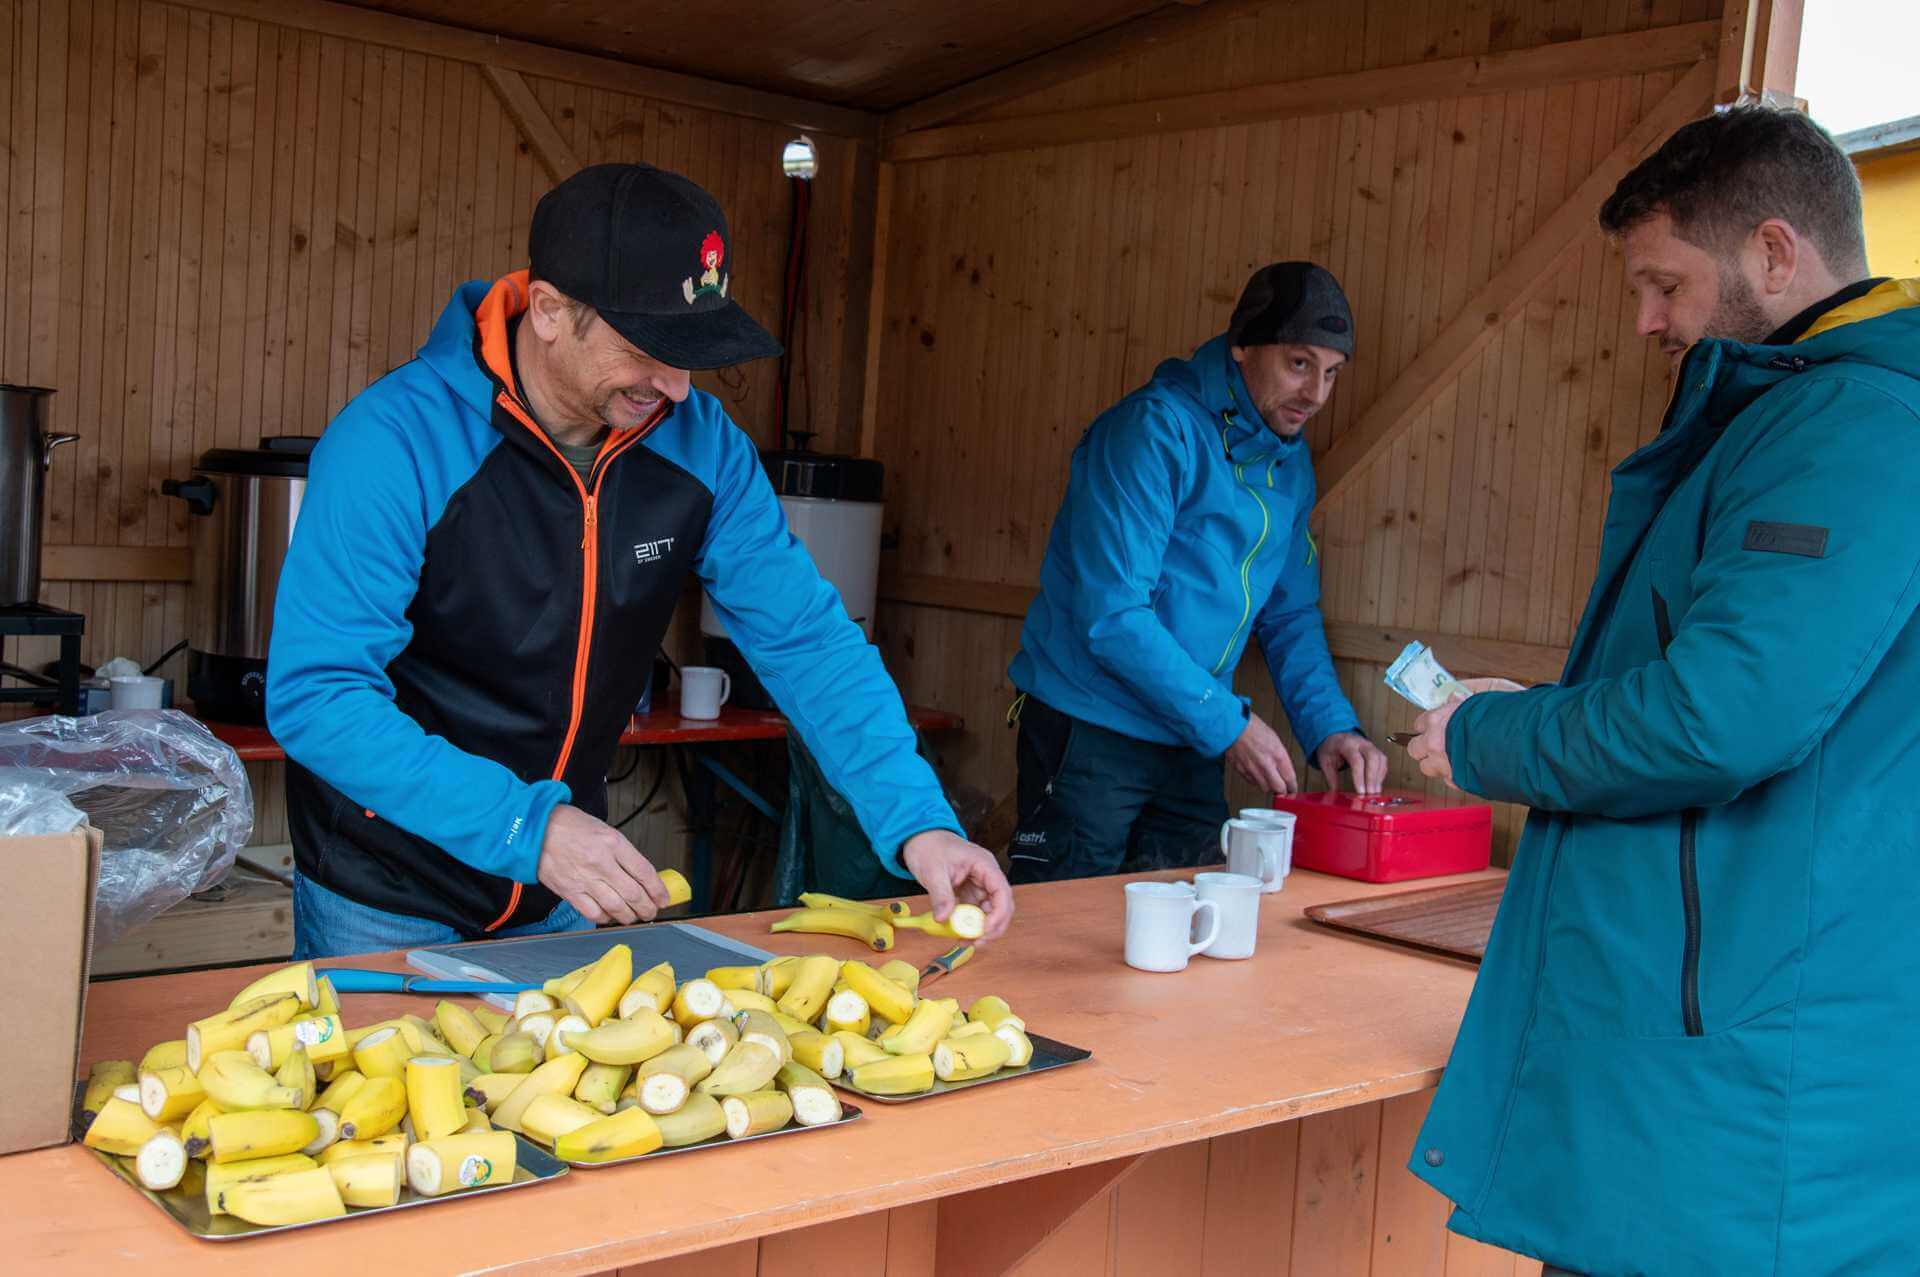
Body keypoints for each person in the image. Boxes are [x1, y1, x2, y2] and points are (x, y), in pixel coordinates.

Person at [1405, 106, 1920, 1276]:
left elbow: (1721, 715)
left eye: (1664, 283)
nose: (1646, 320)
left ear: (1774, 253)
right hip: (1765, 1032)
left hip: (1747, 1079)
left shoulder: (1845, 425)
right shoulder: (1837, 411)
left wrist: (1493, 734)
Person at [267, 163, 1012, 959]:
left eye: (693, 352)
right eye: (649, 349)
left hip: (562, 889)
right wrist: (527, 827)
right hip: (386, 890)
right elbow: (320, 695)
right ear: (550, 311)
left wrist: (919, 822)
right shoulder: (393, 441)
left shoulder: (705, 447)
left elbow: (808, 641)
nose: (678, 387)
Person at [1005, 262, 1388, 883]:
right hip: (1094, 730)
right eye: (1299, 364)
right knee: (1061, 928)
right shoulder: (1152, 431)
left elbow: (1290, 615)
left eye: (1331, 373)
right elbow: (1114, 617)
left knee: (1193, 925)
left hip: (1193, 736)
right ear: (1242, 346)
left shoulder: (1290, 467)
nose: (1316, 394)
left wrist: (1330, 727)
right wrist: (1228, 724)